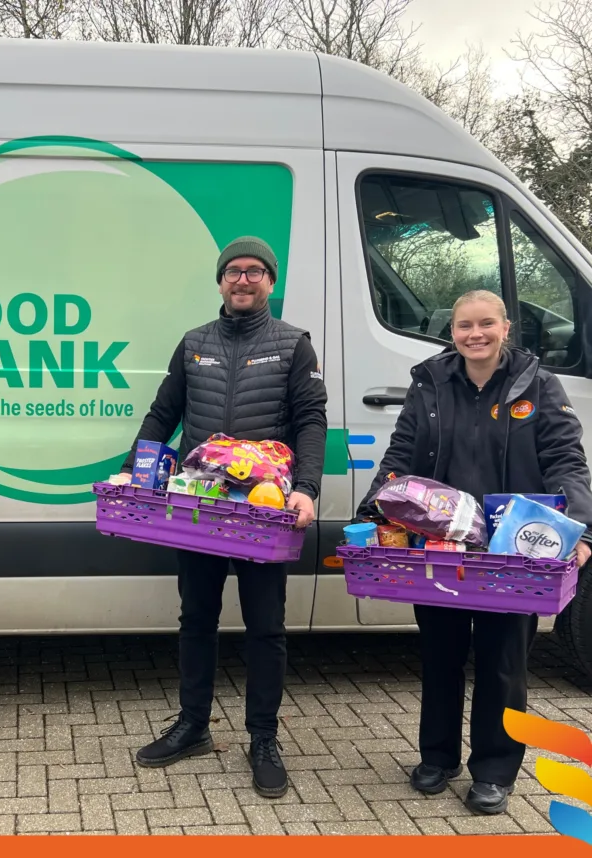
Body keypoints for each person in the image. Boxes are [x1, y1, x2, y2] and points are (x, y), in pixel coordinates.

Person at [356, 289, 592, 816]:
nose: (475, 334)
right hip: (440, 549)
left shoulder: (538, 384)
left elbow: (567, 462)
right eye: (464, 326)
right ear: (453, 332)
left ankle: (494, 771)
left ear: (506, 328)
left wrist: (580, 534)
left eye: (486, 324)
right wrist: (373, 511)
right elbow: (401, 454)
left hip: (512, 553)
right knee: (440, 656)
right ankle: (437, 759)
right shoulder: (431, 383)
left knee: (503, 664)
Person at [118, 236, 328, 798]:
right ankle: (193, 727)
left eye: (254, 272)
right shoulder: (194, 344)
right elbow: (163, 412)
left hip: (262, 512)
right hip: (201, 504)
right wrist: (132, 471)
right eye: (233, 271)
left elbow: (311, 421)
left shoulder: (293, 346)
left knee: (266, 628)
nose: (243, 280)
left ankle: (263, 738)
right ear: (220, 281)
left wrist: (306, 487)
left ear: (270, 282)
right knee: (197, 619)